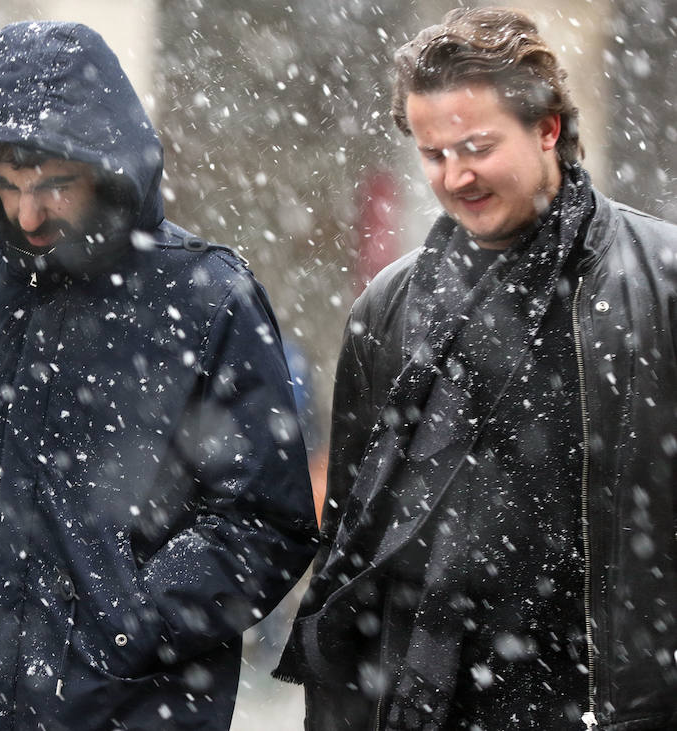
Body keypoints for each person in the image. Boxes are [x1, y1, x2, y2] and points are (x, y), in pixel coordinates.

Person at [0, 21, 317, 730]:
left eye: (54, 185)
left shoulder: (207, 298)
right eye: (7, 185)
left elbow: (265, 520)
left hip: (129, 710)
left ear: (108, 167)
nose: (27, 212)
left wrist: (135, 622)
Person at [275, 7, 677, 730]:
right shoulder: (388, 310)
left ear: (547, 129)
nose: (455, 175)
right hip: (436, 705)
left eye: (477, 147)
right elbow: (350, 552)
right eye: (433, 154)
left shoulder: (661, 283)